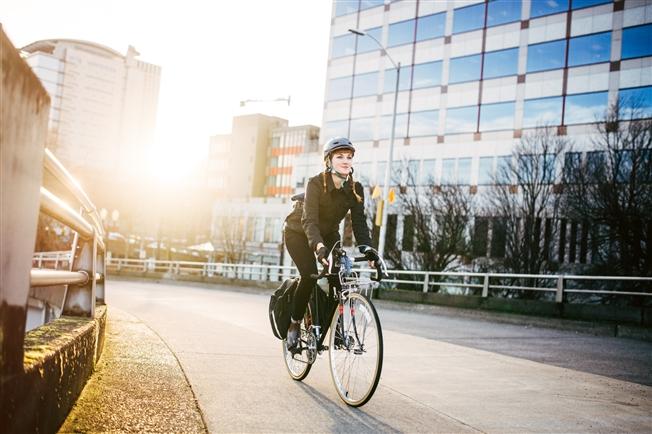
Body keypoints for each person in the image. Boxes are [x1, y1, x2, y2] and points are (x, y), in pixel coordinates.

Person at [283, 137, 380, 349]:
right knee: (309, 275)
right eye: (340, 156)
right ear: (329, 160)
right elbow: (309, 221)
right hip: (298, 232)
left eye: (349, 157)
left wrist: (368, 249)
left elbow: (360, 223)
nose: (346, 161)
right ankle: (294, 323)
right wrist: (318, 247)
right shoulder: (315, 183)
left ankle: (335, 330)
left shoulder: (355, 189)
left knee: (338, 277)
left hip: (328, 234)